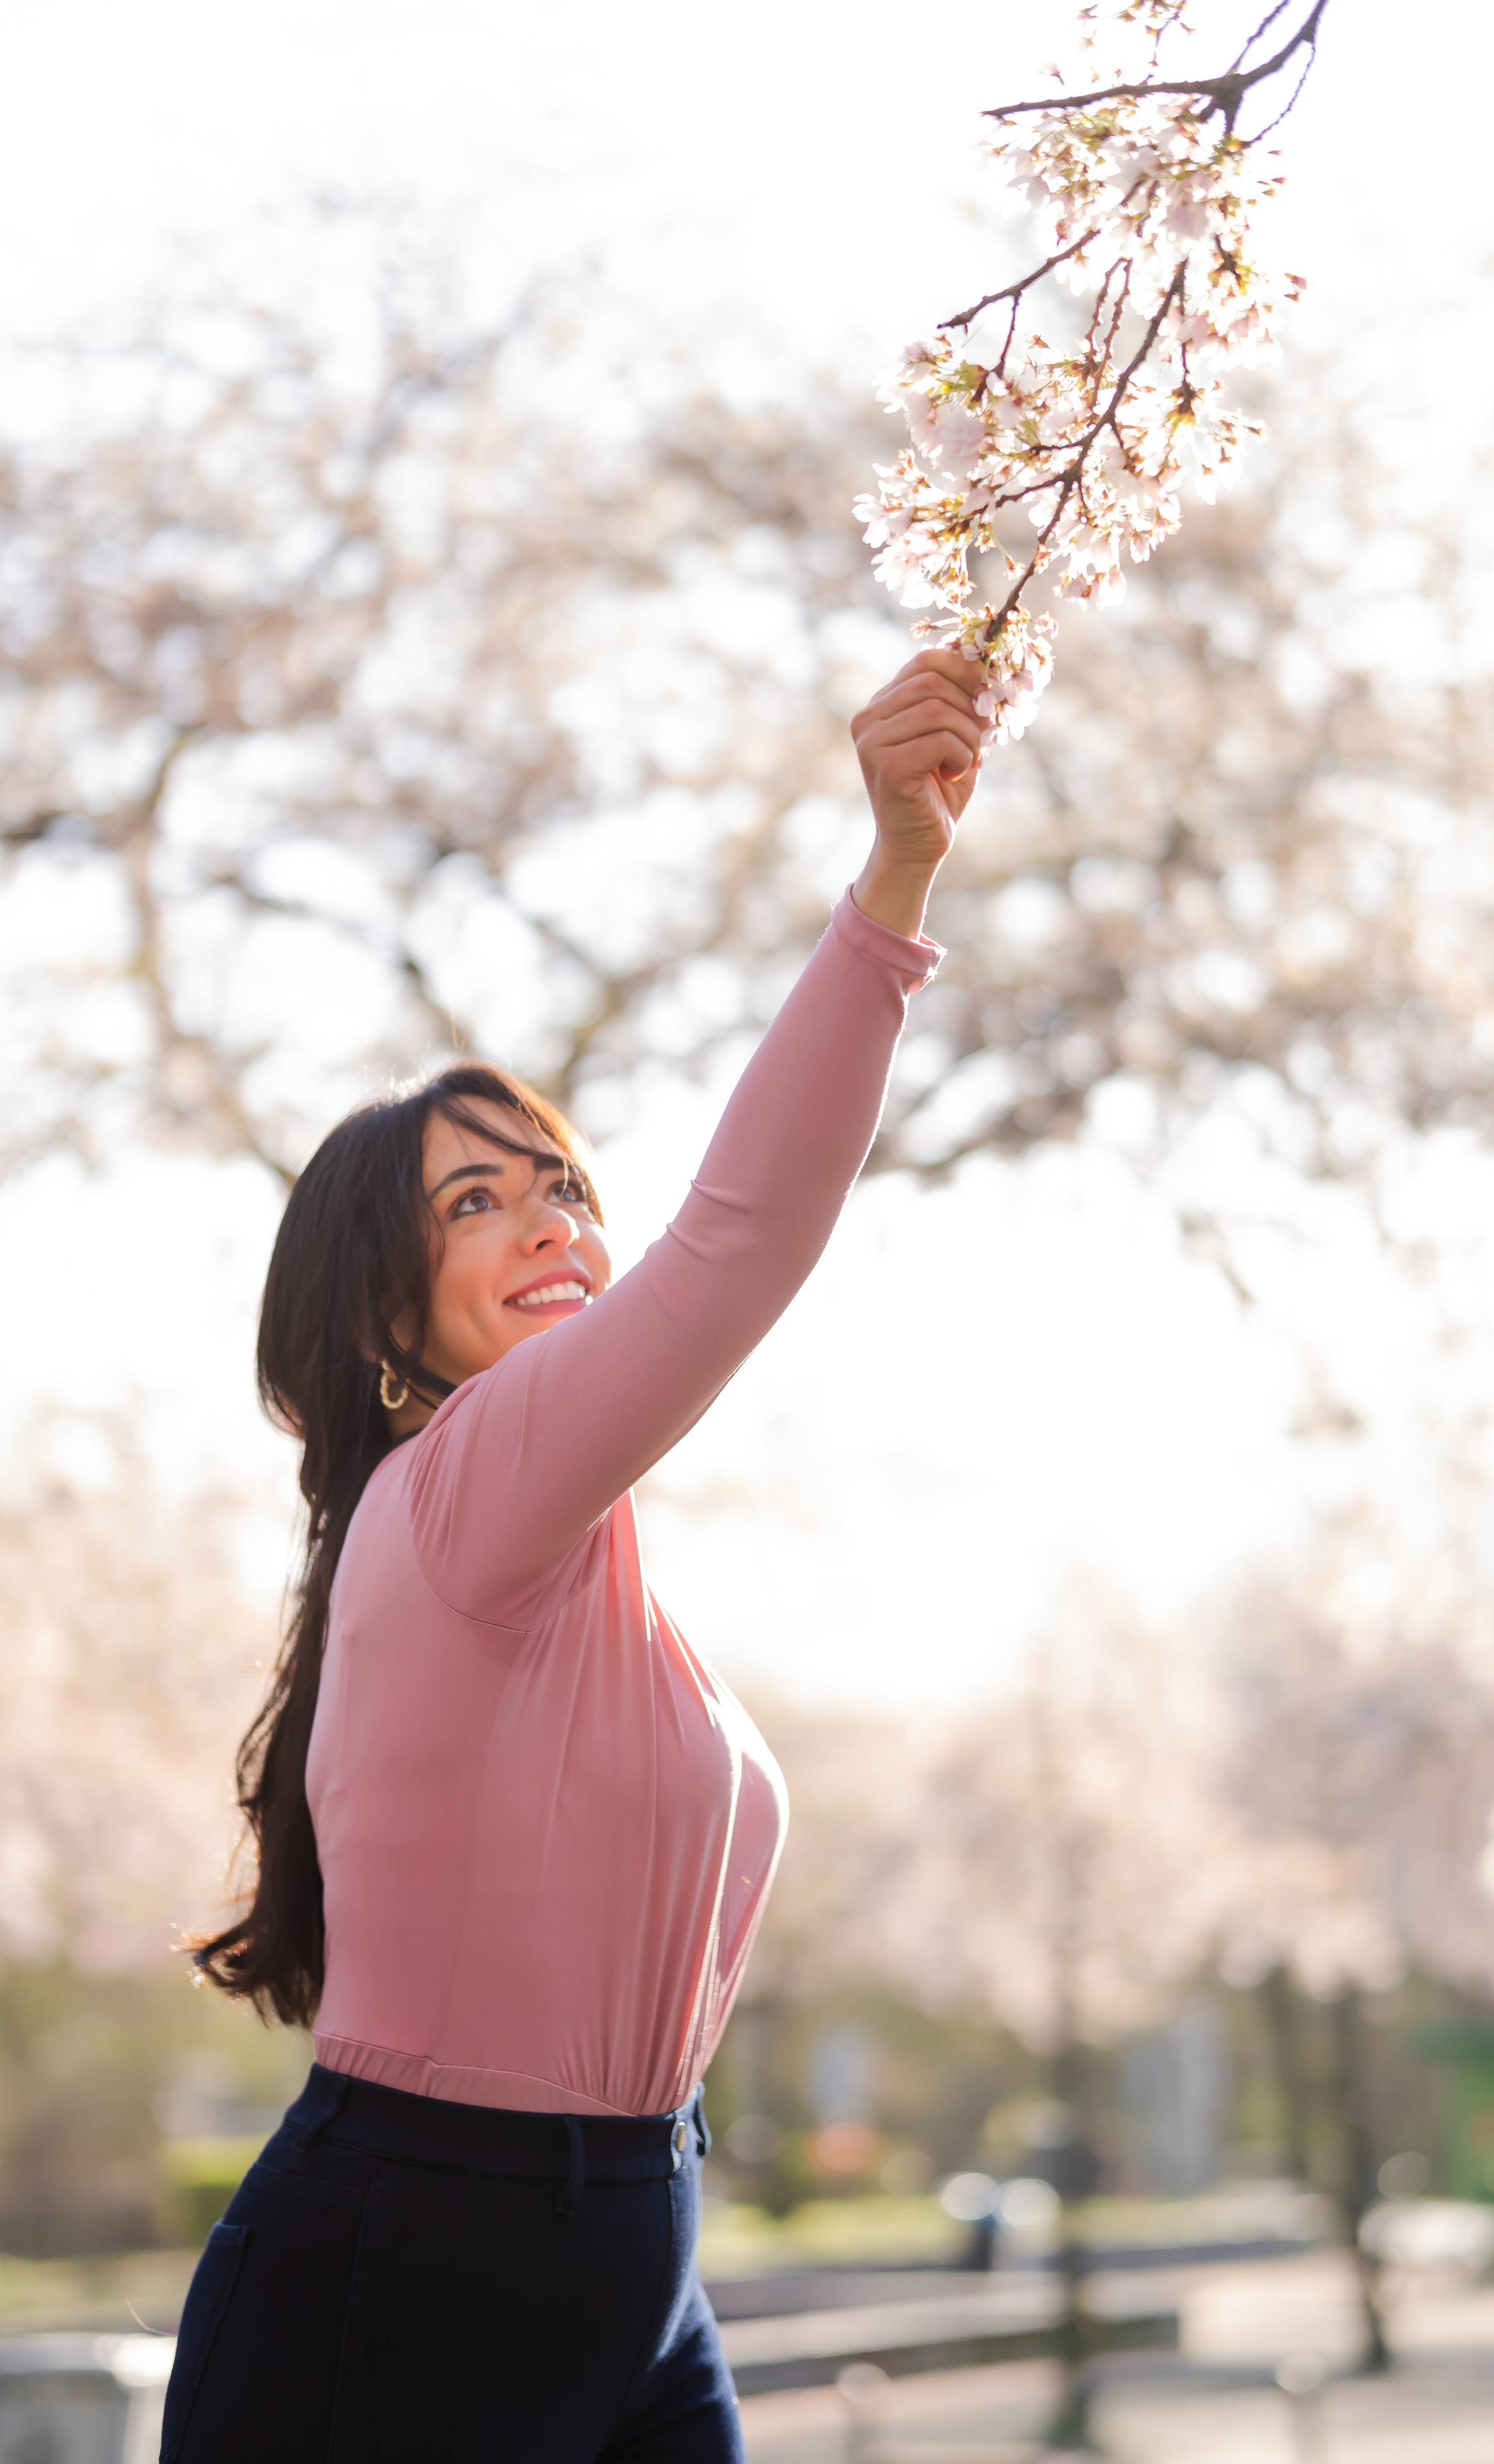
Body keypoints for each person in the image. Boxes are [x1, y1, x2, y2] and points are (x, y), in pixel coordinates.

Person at [162, 647, 986, 2463]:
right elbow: (738, 1245)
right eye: (478, 1199)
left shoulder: (574, 1565)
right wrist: (893, 892)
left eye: (560, 1183)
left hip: (627, 2242)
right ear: (394, 1322)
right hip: (413, 2275)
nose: (550, 1217)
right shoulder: (457, 1487)